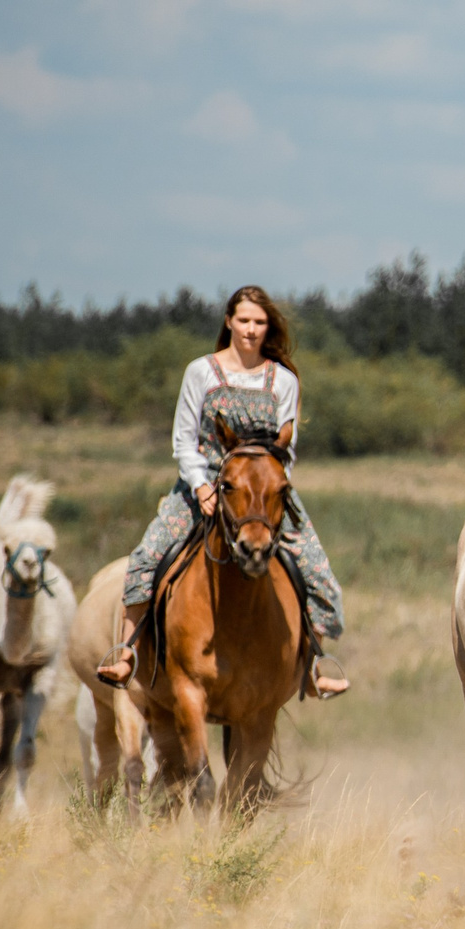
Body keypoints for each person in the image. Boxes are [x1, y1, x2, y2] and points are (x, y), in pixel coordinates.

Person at [95, 286, 350, 696]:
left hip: (261, 490)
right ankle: (127, 651)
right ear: (229, 321)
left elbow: (287, 449)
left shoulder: (282, 381)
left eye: (259, 322)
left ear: (268, 327)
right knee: (146, 557)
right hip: (204, 483)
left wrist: (267, 485)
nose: (251, 330)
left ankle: (315, 661)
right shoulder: (201, 371)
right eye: (244, 320)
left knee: (316, 570)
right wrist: (200, 486)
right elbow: (183, 440)